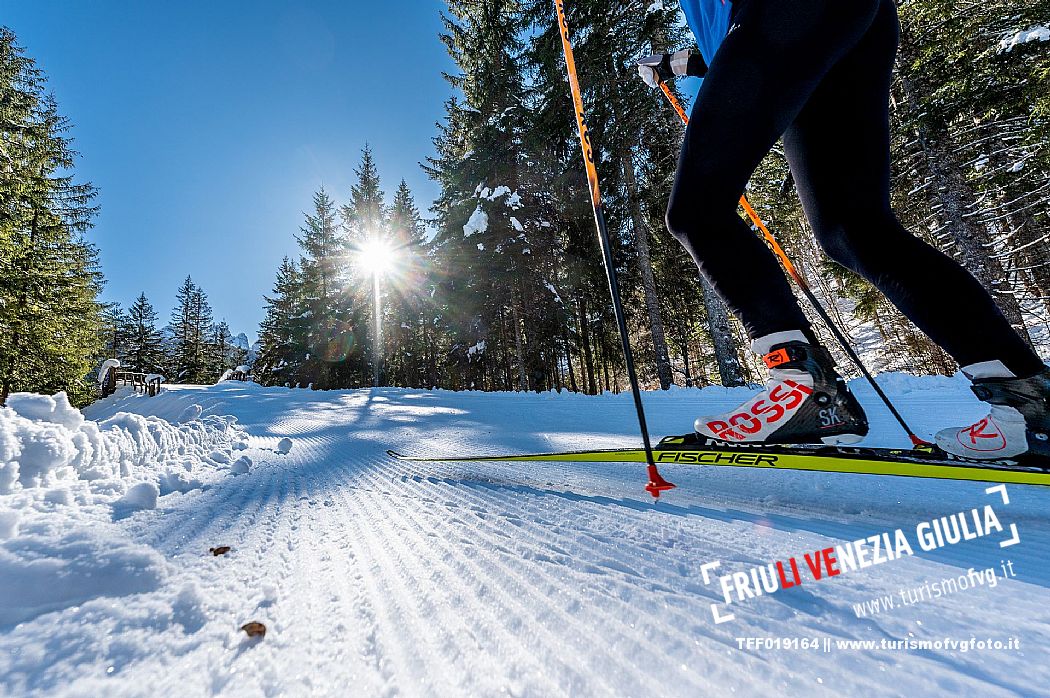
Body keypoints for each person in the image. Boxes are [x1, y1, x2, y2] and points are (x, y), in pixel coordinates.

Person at [636, 0, 1050, 460]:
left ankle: (806, 391)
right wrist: (682, 62)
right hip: (836, 18)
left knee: (698, 210)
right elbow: (742, 37)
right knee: (854, 229)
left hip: (783, 15)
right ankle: (1029, 407)